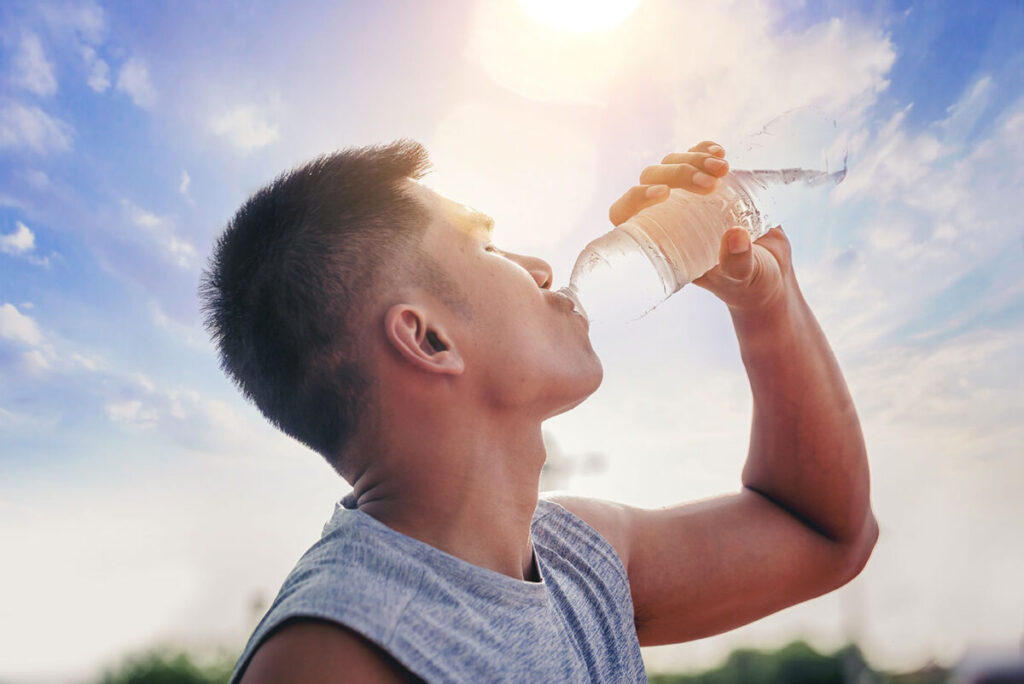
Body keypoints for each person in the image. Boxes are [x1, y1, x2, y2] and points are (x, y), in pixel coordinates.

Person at [200, 139, 877, 683]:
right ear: (430, 339)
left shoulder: (577, 557)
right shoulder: (335, 658)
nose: (543, 268)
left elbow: (830, 536)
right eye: (488, 249)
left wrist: (767, 302)